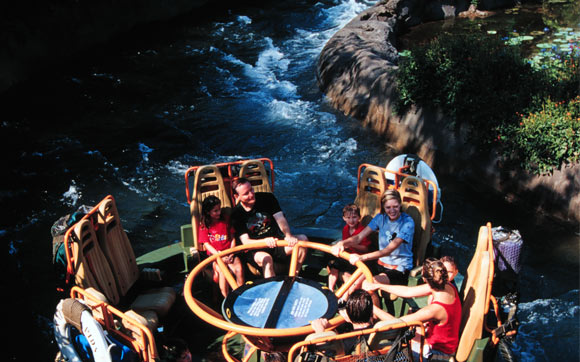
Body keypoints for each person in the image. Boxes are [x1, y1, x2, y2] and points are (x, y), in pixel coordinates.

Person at [363, 258, 462, 360]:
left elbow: (397, 324)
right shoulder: (446, 285)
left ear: (424, 279)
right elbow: (408, 292)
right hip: (439, 340)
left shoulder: (434, 310)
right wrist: (378, 286)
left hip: (437, 354)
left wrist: (372, 307)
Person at [332, 189, 414, 286]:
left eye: (395, 206)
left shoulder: (407, 223)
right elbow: (359, 237)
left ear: (400, 204)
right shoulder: (381, 218)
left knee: (367, 284)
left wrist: (362, 257)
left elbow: (387, 251)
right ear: (383, 207)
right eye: (388, 207)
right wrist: (342, 243)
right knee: (354, 283)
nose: (392, 211)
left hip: (398, 268)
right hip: (380, 263)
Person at [231, 177, 307, 277]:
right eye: (246, 194)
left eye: (251, 190)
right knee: (266, 258)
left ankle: (293, 277)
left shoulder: (267, 198)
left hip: (276, 243)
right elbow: (246, 242)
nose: (251, 194)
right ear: (237, 196)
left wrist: (288, 235)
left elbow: (280, 218)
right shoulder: (237, 214)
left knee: (303, 240)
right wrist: (265, 241)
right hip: (256, 249)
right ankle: (271, 288)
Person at [198, 195, 244, 297]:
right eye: (215, 211)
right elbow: (206, 244)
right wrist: (218, 254)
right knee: (224, 272)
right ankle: (226, 297)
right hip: (216, 256)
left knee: (238, 269)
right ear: (208, 212)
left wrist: (231, 252)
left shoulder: (225, 220)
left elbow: (232, 238)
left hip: (229, 252)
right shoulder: (204, 225)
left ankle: (240, 294)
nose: (219, 212)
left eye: (219, 209)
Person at [310, 289, 377, 355]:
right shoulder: (380, 329)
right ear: (371, 311)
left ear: (348, 316)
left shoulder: (348, 340)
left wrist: (320, 331)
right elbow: (388, 320)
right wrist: (364, 306)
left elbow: (327, 356)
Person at [327, 204, 372, 291]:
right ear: (344, 218)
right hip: (348, 257)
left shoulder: (362, 230)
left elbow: (365, 249)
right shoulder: (345, 229)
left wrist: (352, 245)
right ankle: (330, 289)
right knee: (333, 264)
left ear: (359, 217)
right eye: (348, 217)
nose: (351, 220)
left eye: (354, 217)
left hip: (359, 260)